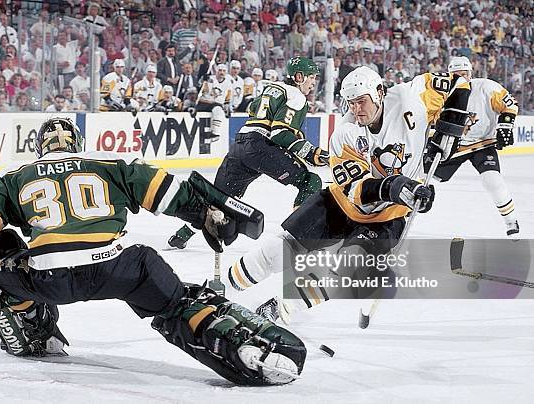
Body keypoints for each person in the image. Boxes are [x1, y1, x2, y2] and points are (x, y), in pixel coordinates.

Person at [0, 117, 306, 385]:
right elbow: (167, 191)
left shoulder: (14, 177)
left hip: (50, 278)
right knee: (176, 303)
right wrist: (205, 215)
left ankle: (29, 327)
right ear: (77, 141)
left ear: (40, 147)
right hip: (118, 268)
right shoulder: (107, 162)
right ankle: (226, 336)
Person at [231, 66, 471, 323]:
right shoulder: (345, 132)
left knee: (348, 266)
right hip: (340, 203)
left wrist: (450, 126)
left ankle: (280, 310)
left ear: (379, 92)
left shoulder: (412, 97)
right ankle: (227, 288)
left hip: (388, 217)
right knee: (278, 250)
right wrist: (398, 187)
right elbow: (357, 190)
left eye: (361, 101)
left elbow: (460, 83)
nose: (356, 110)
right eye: (350, 103)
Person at [168, 57, 326, 249]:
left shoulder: (271, 87)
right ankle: (298, 240)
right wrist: (314, 153)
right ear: (299, 77)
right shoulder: (296, 95)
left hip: (240, 145)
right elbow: (280, 134)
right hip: (261, 148)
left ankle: (181, 235)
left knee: (218, 199)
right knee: (311, 182)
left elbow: (255, 111)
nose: (313, 82)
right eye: (311, 77)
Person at [426, 56, 520, 236]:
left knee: (492, 179)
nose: (461, 78)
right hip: (453, 145)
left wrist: (505, 125)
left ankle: (510, 220)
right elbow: (429, 120)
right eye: (456, 75)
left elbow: (510, 105)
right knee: (423, 175)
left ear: (471, 74)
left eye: (464, 74)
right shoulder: (440, 93)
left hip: (483, 144)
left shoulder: (486, 87)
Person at [195, 63, 233, 140]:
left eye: (223, 71)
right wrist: (202, 80)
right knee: (218, 109)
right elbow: (199, 87)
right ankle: (215, 133)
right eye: (219, 70)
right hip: (204, 103)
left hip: (217, 105)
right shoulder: (210, 79)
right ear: (216, 71)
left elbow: (228, 97)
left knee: (219, 110)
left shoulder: (228, 83)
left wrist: (227, 106)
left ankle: (215, 133)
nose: (221, 72)